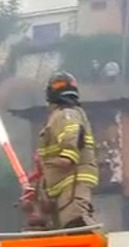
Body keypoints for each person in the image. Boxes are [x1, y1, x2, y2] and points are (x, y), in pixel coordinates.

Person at [31, 71, 99, 229]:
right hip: (60, 183)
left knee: (75, 223)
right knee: (58, 232)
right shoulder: (58, 116)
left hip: (73, 179)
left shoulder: (67, 114)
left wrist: (66, 157)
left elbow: (71, 134)